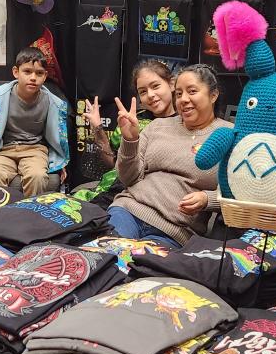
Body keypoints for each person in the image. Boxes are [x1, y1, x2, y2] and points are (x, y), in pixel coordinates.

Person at [108, 64, 231, 247]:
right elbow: (128, 178)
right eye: (179, 94)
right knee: (104, 255)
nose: (184, 99)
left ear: (213, 95)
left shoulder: (229, 136)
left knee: (138, 263)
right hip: (128, 210)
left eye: (192, 91)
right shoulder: (157, 126)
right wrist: (130, 140)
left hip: (174, 231)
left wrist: (208, 199)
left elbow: (240, 194)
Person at [0, 48, 67, 197]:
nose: (33, 78)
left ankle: (29, 211)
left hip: (35, 150)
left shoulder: (53, 103)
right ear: (16, 72)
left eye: (39, 73)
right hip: (2, 150)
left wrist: (58, 162)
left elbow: (58, 139)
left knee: (37, 177)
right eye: (27, 72)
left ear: (45, 76)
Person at [76, 61, 176, 202]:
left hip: (145, 196)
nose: (150, 95)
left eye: (155, 86)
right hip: (112, 190)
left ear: (171, 84)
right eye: (143, 91)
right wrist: (97, 128)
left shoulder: (183, 124)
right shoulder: (134, 120)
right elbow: (112, 164)